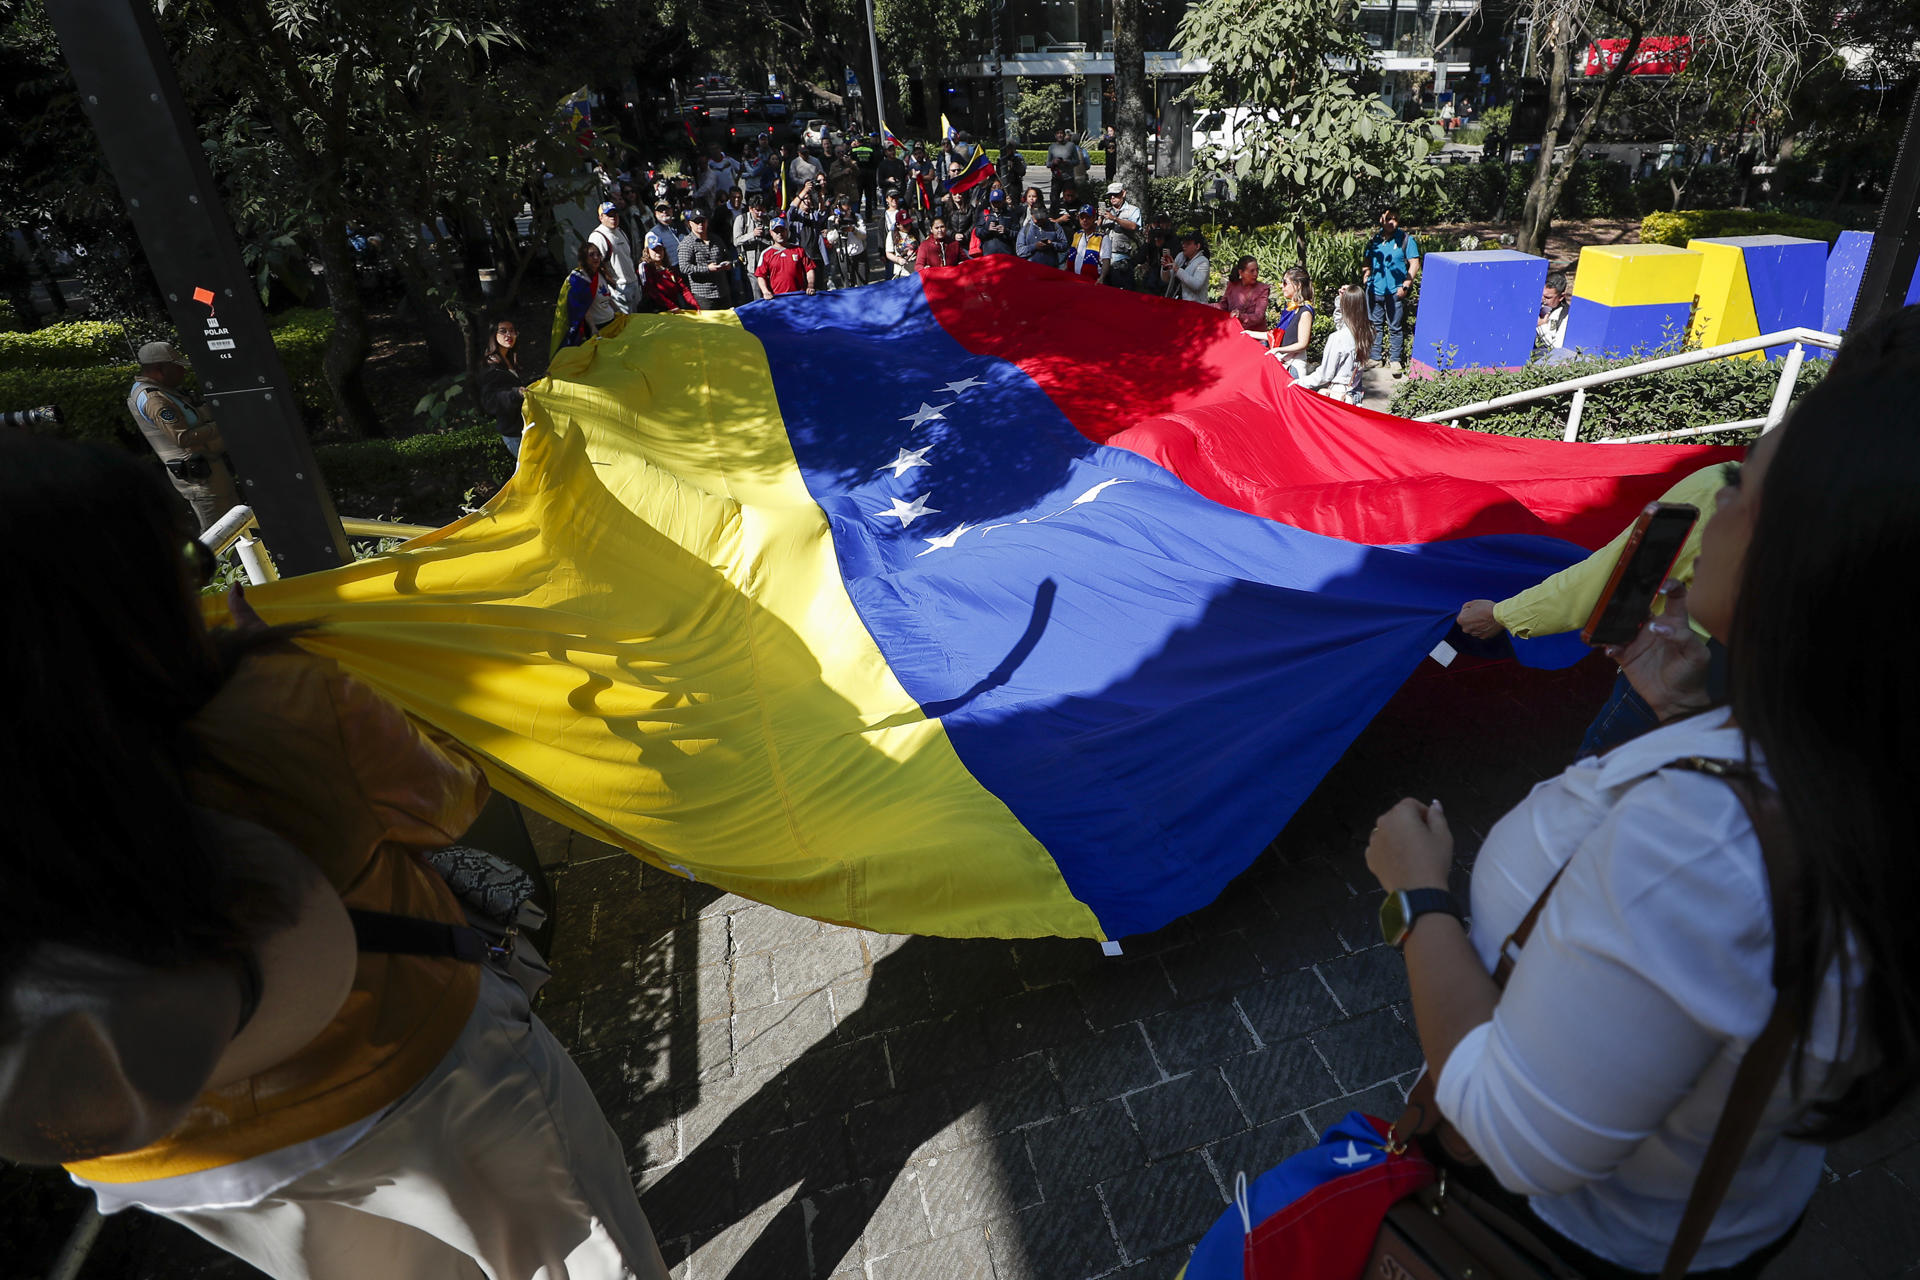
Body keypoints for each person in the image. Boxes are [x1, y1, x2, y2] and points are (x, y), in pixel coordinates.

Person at [0, 433, 673, 1280]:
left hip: (170, 1159)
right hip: (408, 1070)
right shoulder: (279, 702)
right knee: (571, 1254)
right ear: (129, 590)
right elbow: (451, 800)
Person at [1362, 316, 1920, 1279]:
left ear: (1819, 560)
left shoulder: (1701, 843)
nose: (1717, 494)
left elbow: (1509, 1136)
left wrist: (1418, 898)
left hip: (1563, 1239)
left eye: (1745, 482)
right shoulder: (1854, 761)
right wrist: (1688, 724)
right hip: (1727, 1211)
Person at [1454, 462, 1726, 758]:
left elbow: (1610, 575)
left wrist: (1502, 615)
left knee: (1599, 783)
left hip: (1682, 674)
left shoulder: (1722, 486)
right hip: (1757, 689)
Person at [124, 341, 236, 532]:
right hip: (201, 480)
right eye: (177, 367)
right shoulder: (155, 399)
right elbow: (182, 437)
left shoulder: (162, 390)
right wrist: (221, 425)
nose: (182, 372)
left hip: (208, 470)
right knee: (220, 535)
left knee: (235, 524)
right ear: (160, 368)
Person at [1362, 203, 1421, 374]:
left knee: (1395, 326)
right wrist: (1366, 278)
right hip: (1375, 290)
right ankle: (1375, 358)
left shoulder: (1405, 240)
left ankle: (1395, 361)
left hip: (1395, 290)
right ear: (1381, 219)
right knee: (1375, 325)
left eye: (1395, 219)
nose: (1391, 222)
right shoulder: (1374, 240)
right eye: (1388, 218)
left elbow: (1414, 263)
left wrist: (1406, 285)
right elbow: (1366, 262)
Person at [1291, 283, 1370, 403]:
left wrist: (1299, 383)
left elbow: (1325, 374)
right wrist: (1342, 299)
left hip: (1338, 394)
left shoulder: (1337, 338)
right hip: (1355, 392)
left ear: (1345, 307)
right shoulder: (1367, 332)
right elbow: (1341, 323)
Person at [475, 318, 532, 457]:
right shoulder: (491, 366)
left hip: (525, 429)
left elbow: (519, 386)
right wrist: (516, 394)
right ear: (493, 335)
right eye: (503, 331)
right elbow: (490, 401)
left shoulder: (510, 359)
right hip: (514, 434)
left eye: (512, 331)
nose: (509, 335)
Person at [561, 239, 619, 347]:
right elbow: (583, 307)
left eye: (598, 254)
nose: (596, 258)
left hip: (612, 322)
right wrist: (593, 328)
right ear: (584, 258)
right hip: (599, 327)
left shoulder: (600, 273)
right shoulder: (582, 280)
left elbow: (607, 297)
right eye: (591, 255)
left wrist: (619, 312)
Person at [677, 208, 736, 309]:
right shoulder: (686, 244)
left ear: (707, 222)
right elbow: (684, 267)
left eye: (703, 221)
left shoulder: (716, 239)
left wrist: (729, 264)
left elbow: (727, 256)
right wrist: (707, 268)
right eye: (697, 221)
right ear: (690, 223)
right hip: (703, 295)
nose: (700, 224)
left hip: (722, 290)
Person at [588, 200, 638, 312]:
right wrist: (615, 287)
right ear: (601, 217)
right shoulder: (598, 237)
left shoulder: (620, 230)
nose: (613, 217)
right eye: (609, 215)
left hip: (633, 283)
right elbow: (596, 266)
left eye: (615, 214)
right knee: (625, 324)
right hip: (620, 289)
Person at [753, 219, 819, 298]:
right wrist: (765, 292)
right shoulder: (766, 254)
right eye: (776, 231)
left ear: (787, 231)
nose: (780, 234)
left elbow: (810, 269)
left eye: (782, 230)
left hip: (799, 296)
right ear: (771, 233)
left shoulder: (799, 250)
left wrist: (810, 285)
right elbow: (760, 276)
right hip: (777, 297)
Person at [1099, 182, 1143, 289]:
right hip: (1105, 260)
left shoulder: (1133, 210)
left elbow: (1134, 227)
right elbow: (1099, 231)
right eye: (1110, 195)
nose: (1112, 197)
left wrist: (1115, 219)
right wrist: (1100, 219)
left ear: (1123, 193)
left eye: (1115, 194)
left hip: (1123, 260)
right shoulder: (1107, 211)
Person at [1269, 266, 1317, 362]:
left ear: (1298, 285)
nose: (1281, 286)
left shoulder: (1305, 311)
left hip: (1293, 365)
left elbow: (1302, 344)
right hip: (1284, 361)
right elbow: (1276, 334)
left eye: (1285, 283)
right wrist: (1248, 333)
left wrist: (1278, 349)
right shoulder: (1291, 308)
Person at [638, 240, 698, 312]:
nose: (658, 252)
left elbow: (683, 289)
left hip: (674, 308)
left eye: (660, 249)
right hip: (655, 310)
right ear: (647, 252)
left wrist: (695, 305)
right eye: (654, 250)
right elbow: (650, 290)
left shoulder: (670, 269)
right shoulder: (645, 267)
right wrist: (671, 306)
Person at [1217, 256, 1271, 334]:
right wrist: (1203, 305)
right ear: (1241, 272)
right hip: (1234, 333)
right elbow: (1222, 306)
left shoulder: (1263, 289)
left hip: (1256, 337)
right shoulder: (1232, 285)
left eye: (1257, 270)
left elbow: (1259, 316)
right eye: (1252, 271)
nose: (1256, 274)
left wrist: (1241, 316)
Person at [1016, 186, 1068, 268]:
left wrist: (1053, 245)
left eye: (1042, 218)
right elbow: (1019, 251)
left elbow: (1064, 245)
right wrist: (1035, 246)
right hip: (1031, 270)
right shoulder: (1025, 229)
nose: (1040, 221)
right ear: (1032, 215)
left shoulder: (1054, 226)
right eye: (1037, 218)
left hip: (1052, 269)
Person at [823, 205, 869, 288]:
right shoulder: (832, 219)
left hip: (859, 253)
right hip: (843, 255)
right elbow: (830, 239)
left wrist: (853, 230)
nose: (847, 213)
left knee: (863, 284)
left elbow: (864, 235)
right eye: (844, 211)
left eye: (848, 209)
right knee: (847, 284)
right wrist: (838, 227)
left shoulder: (856, 216)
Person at [1158, 229, 1210, 302]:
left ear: (1197, 246)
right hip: (1176, 301)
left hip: (1195, 307)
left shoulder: (1203, 261)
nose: (1183, 246)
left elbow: (1196, 285)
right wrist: (1165, 267)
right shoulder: (1180, 256)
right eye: (1183, 243)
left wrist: (1177, 270)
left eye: (1188, 243)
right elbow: (1166, 279)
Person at [1062, 206, 1110, 284]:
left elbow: (1106, 261)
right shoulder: (1077, 234)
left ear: (1094, 218)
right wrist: (1063, 271)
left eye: (1088, 217)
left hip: (1092, 281)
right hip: (1073, 279)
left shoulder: (1103, 238)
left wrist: (1102, 278)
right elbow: (1070, 256)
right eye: (1082, 217)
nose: (1084, 220)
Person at [735, 192, 773, 283]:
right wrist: (752, 234)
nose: (760, 213)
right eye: (757, 210)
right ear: (750, 209)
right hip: (751, 268)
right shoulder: (741, 219)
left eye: (762, 210)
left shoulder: (768, 219)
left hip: (767, 266)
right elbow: (736, 241)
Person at [975, 189, 1018, 256]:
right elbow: (977, 232)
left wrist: (1006, 231)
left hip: (1006, 254)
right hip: (988, 254)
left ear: (1003, 201)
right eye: (993, 202)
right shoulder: (984, 214)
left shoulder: (1011, 215)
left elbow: (1017, 233)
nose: (995, 205)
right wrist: (987, 229)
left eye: (998, 202)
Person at [1538, 271, 1572, 350]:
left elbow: (1556, 348)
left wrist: (1540, 326)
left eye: (1548, 297)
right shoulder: (1535, 305)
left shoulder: (1565, 316)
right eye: (1540, 295)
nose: (1542, 300)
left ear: (1561, 297)